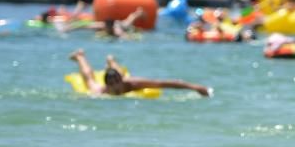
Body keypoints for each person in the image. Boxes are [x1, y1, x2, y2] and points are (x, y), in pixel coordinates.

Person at [68, 49, 212, 97]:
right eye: (113, 85)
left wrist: (195, 87)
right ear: (107, 86)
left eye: (118, 82)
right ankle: (80, 56)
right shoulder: (100, 91)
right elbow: (90, 83)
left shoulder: (130, 83)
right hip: (97, 83)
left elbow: (164, 83)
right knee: (88, 78)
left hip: (124, 77)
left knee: (119, 73)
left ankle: (111, 60)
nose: (117, 87)